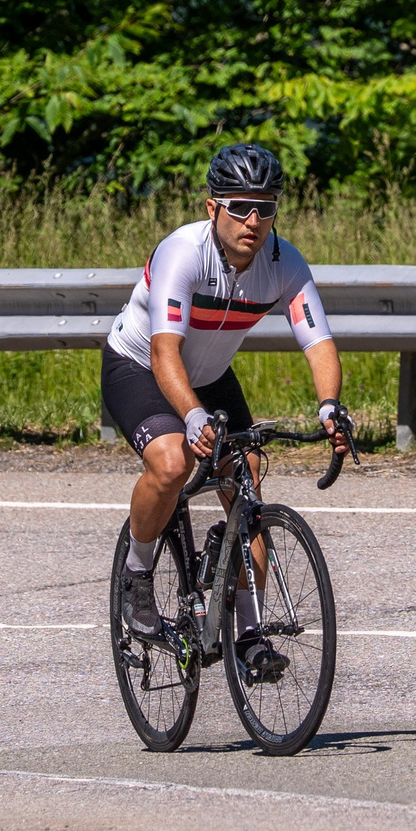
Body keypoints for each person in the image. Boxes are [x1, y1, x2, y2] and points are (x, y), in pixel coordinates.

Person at [101, 143, 352, 672]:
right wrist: (192, 417)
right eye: (239, 207)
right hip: (141, 366)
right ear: (212, 207)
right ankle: (137, 574)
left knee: (246, 482)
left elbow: (318, 342)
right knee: (173, 462)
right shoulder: (182, 253)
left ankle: (248, 634)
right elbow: (164, 352)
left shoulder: (284, 263)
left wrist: (330, 406)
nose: (253, 221)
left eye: (265, 207)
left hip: (210, 376)